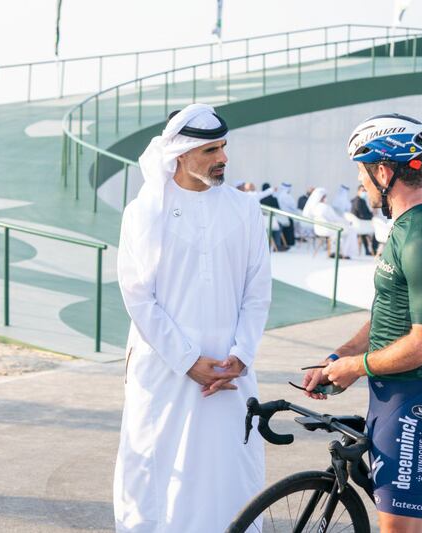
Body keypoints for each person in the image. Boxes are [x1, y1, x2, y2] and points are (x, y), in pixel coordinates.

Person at [114, 104, 272, 532]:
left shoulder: (245, 209)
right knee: (160, 476)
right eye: (210, 150)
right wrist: (187, 360)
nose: (222, 158)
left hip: (230, 373)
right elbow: (138, 297)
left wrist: (239, 356)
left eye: (223, 147)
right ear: (179, 154)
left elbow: (258, 292)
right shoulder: (145, 213)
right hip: (165, 372)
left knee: (229, 478)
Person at [303, 113, 422, 533]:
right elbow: (384, 319)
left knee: (398, 531)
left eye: (362, 173)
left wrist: (356, 367)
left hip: (415, 402)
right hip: (390, 398)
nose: (361, 184)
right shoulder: (403, 230)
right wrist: (339, 358)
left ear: (385, 172)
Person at [302, 187, 358, 259]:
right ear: (322, 197)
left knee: (339, 232)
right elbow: (335, 219)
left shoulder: (314, 207)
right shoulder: (324, 207)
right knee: (351, 230)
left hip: (319, 230)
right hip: (329, 229)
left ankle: (334, 252)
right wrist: (347, 222)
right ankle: (346, 253)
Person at [260, 182, 291, 249]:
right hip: (272, 221)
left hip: (262, 222)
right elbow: (278, 210)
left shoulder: (260, 199)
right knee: (278, 227)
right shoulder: (274, 199)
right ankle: (277, 245)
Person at [351, 184, 378, 255]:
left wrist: (371, 214)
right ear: (358, 191)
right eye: (363, 191)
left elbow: (365, 213)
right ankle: (374, 249)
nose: (364, 192)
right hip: (360, 224)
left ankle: (367, 250)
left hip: (361, 223)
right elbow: (363, 215)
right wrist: (372, 215)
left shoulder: (360, 200)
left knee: (365, 233)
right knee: (378, 229)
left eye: (365, 191)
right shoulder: (358, 201)